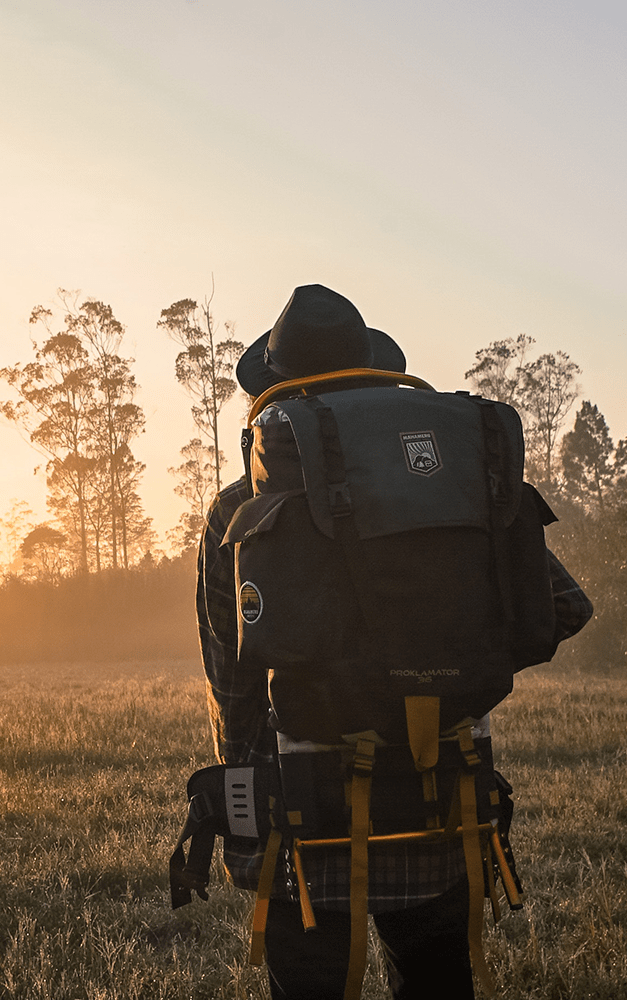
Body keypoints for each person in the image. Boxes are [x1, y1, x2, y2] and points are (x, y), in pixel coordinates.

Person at [196, 284, 593, 1000]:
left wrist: (243, 811)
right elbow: (563, 608)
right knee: (439, 982)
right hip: (443, 795)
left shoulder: (237, 509)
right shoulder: (459, 486)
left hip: (303, 816)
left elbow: (233, 682)